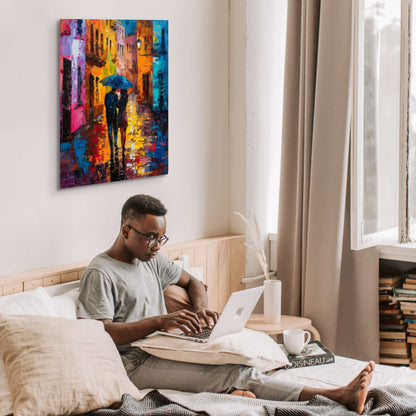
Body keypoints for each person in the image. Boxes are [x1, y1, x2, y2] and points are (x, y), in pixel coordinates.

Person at [77, 194, 375, 414]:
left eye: (161, 238)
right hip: (133, 363)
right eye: (150, 238)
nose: (157, 245)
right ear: (126, 231)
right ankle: (334, 396)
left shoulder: (149, 260)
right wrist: (159, 321)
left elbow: (192, 282)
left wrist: (201, 309)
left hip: (165, 344)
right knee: (233, 371)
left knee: (238, 358)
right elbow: (100, 334)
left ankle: (243, 392)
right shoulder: (100, 273)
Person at [104, 87, 119, 160]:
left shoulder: (107, 95)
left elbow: (106, 104)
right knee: (115, 129)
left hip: (108, 115)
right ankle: (115, 143)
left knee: (109, 129)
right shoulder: (115, 96)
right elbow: (117, 105)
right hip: (114, 114)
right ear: (115, 89)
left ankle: (111, 145)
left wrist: (109, 107)